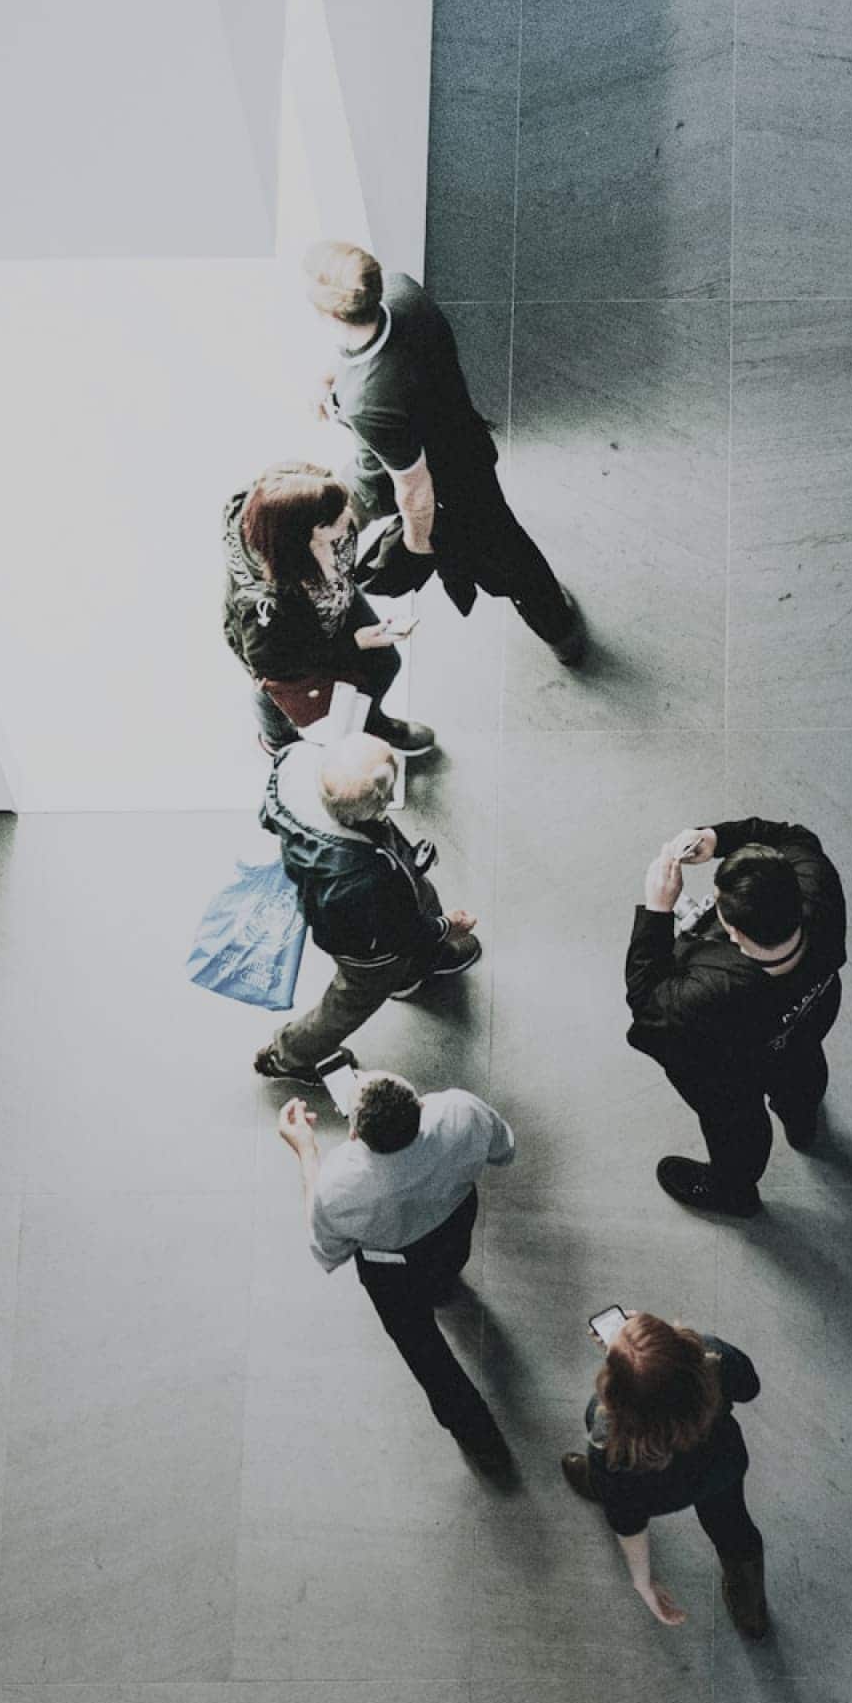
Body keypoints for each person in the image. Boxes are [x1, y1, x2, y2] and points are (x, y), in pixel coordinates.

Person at [303, 239, 588, 665]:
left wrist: (419, 545)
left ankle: (561, 633)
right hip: (464, 442)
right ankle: (557, 623)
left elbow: (414, 490)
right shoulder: (403, 292)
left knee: (506, 555)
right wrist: (330, 380)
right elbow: (363, 356)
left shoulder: (368, 401)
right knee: (508, 544)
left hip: (430, 483)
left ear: (328, 314)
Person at [277, 1070, 515, 1474]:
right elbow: (504, 1151)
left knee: (422, 1347)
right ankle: (442, 1287)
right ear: (420, 1104)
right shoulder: (459, 1110)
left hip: (393, 1268)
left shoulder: (338, 1184)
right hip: (454, 1221)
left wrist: (306, 1151)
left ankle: (476, 1433)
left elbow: (327, 1249)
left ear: (354, 1134)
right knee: (448, 1267)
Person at [623, 816, 847, 1217]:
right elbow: (793, 837)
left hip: (733, 1070)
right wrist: (717, 838)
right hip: (808, 1022)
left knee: (738, 1130)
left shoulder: (710, 991)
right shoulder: (819, 886)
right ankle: (802, 1125)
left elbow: (647, 1002)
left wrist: (658, 910)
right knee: (803, 1073)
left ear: (734, 930)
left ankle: (733, 1192)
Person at [254, 732, 479, 1082]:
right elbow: (401, 934)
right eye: (387, 795)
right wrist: (447, 926)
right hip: (367, 950)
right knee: (351, 1000)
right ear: (374, 808)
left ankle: (415, 970)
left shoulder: (295, 763)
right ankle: (289, 1056)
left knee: (418, 902)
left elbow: (267, 816)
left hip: (351, 895)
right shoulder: (366, 878)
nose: (391, 797)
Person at [561, 1310, 769, 1637]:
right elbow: (750, 1387)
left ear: (616, 1390)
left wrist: (643, 1583)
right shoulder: (714, 1359)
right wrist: (656, 1346)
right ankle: (751, 1605)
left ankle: (596, 1484)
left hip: (654, 1494)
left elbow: (628, 1523)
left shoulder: (608, 1435)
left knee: (613, 1490)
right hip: (720, 1466)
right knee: (732, 1524)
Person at [221, 461, 435, 758]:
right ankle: (279, 742)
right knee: (277, 697)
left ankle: (370, 721)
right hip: (286, 644)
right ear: (304, 534)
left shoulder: (302, 514)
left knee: (385, 663)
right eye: (335, 518)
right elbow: (277, 666)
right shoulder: (263, 605)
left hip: (333, 600)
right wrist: (353, 643)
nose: (349, 515)